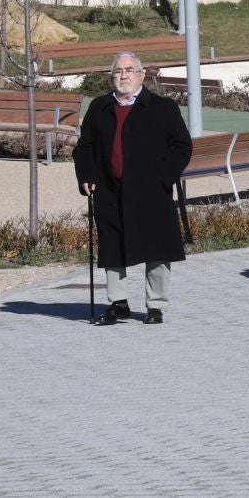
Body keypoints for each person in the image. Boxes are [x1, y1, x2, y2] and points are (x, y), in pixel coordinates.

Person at [73, 52, 193, 325]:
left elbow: (181, 146)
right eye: (117, 71)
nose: (123, 75)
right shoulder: (99, 108)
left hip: (151, 191)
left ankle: (155, 305)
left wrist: (164, 177)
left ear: (141, 75)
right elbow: (85, 147)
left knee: (158, 249)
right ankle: (118, 303)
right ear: (111, 76)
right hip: (110, 190)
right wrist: (87, 176)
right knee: (113, 247)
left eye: (129, 70)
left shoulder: (162, 107)